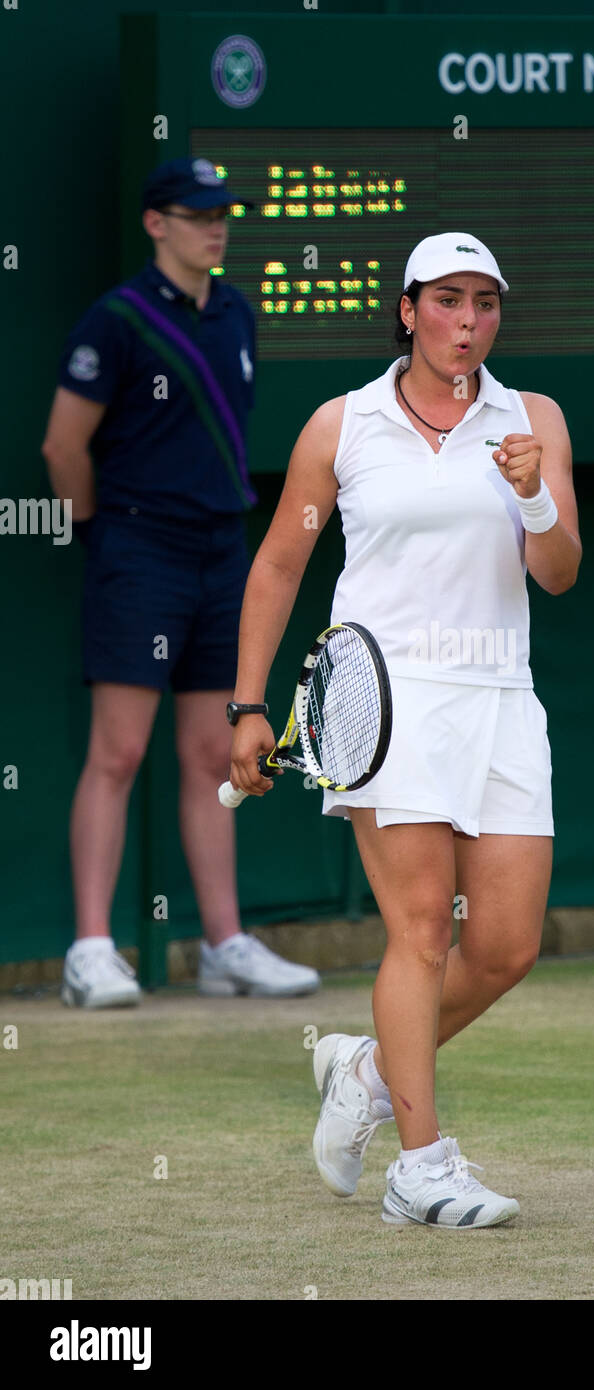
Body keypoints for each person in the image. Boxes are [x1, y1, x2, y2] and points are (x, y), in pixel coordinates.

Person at [228, 232, 581, 1227]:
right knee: (421, 928)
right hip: (380, 702)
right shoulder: (341, 426)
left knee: (505, 947)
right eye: (448, 301)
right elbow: (276, 569)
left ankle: (367, 1069)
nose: (467, 322)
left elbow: (557, 571)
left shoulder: (533, 420)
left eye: (485, 304)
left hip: (501, 699)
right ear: (408, 308)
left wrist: (532, 492)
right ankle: (419, 1166)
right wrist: (247, 703)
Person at [42, 156, 319, 1008]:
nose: (216, 226)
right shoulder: (116, 322)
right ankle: (91, 950)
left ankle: (222, 945)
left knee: (214, 754)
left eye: (222, 213)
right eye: (198, 214)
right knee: (117, 752)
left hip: (221, 552)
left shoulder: (237, 311)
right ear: (156, 223)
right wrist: (103, 536)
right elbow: (62, 447)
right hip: (137, 550)